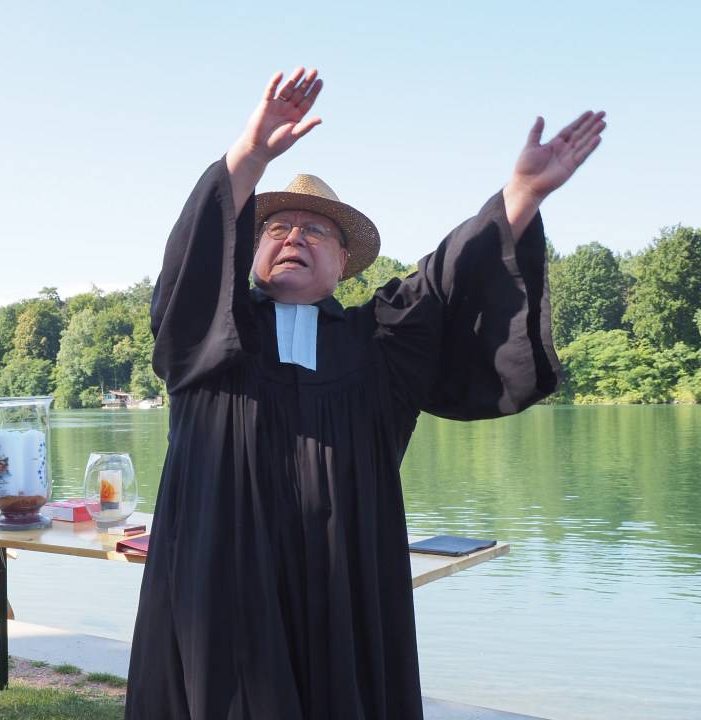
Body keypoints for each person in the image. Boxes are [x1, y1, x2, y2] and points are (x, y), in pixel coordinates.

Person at [125, 68, 605, 718]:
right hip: (223, 588)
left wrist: (520, 194)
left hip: (346, 590)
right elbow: (198, 255)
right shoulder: (210, 334)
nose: (294, 237)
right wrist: (251, 154)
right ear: (249, 251)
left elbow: (446, 281)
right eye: (278, 228)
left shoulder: (380, 345)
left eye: (315, 231)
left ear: (343, 264)